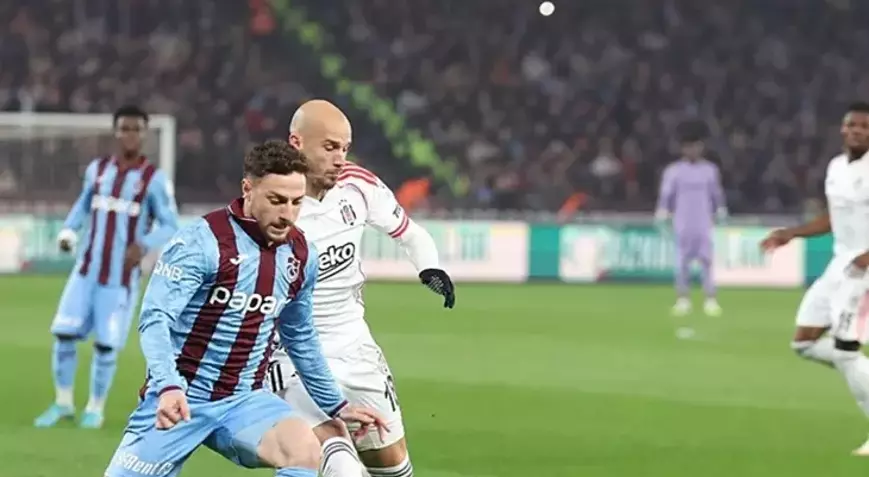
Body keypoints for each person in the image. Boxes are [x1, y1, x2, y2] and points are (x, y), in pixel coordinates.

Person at [103, 140, 385, 477]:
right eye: (276, 200)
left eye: (297, 202)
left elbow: (300, 336)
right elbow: (156, 319)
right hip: (180, 396)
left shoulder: (301, 255)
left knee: (305, 450)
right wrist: (167, 384)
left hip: (245, 401)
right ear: (247, 189)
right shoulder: (200, 242)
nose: (287, 214)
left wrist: (336, 404)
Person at [268, 99, 456, 477]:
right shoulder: (267, 203)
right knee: (338, 464)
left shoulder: (358, 184)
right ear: (296, 143)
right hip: (290, 356)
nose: (340, 158)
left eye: (344, 148)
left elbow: (410, 233)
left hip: (355, 347)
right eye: (329, 147)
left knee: (393, 467)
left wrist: (430, 268)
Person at [35, 105, 179, 429]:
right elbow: (83, 203)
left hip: (119, 279)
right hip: (85, 270)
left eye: (136, 129)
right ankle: (62, 403)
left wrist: (143, 243)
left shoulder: (154, 180)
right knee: (64, 334)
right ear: (116, 132)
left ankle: (95, 409)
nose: (130, 135)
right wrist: (69, 230)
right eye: (124, 128)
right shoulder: (98, 170)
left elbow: (170, 224)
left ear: (144, 135)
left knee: (105, 345)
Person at [761, 101, 869, 456]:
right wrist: (793, 233)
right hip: (840, 265)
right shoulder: (836, 167)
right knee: (804, 344)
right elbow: (833, 218)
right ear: (842, 129)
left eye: (864, 127)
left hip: (864, 272)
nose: (856, 131)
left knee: (846, 351)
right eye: (851, 125)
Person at [655, 123, 727, 317]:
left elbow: (716, 193)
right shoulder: (674, 171)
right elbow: (666, 194)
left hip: (703, 221)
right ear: (683, 149)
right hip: (683, 222)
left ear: (701, 147)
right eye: (689, 146)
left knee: (707, 261)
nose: (692, 150)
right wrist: (662, 211)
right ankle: (683, 299)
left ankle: (710, 299)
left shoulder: (710, 170)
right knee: (681, 263)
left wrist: (720, 209)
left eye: (696, 146)